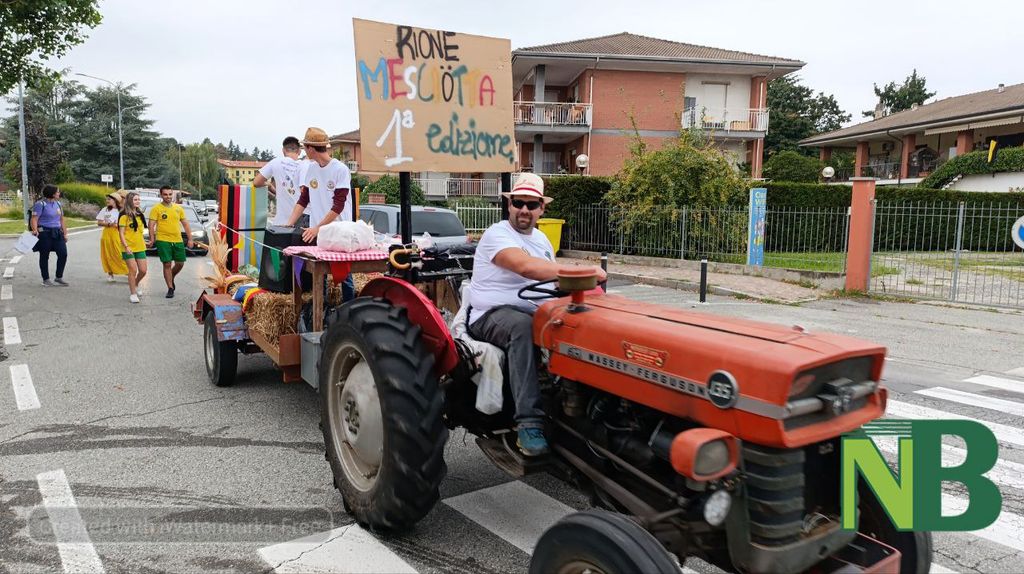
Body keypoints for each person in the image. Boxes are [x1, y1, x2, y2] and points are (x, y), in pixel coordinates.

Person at [467, 173, 606, 456]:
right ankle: (528, 424)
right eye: (518, 203)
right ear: (509, 205)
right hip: (490, 313)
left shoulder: (542, 240)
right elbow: (526, 267)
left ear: (542, 208)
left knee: (588, 322)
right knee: (522, 327)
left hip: (538, 311)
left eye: (531, 205)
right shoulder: (497, 234)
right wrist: (583, 271)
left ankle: (585, 408)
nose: (524, 210)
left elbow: (552, 279)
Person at [284, 127, 355, 302]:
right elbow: (303, 200)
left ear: (311, 148)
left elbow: (338, 206)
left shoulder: (340, 169)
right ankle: (320, 308)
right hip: (319, 232)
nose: (304, 150)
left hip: (339, 231)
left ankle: (349, 307)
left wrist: (317, 227)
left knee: (345, 275)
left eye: (305, 147)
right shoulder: (312, 169)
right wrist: (288, 224)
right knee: (320, 274)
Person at [148, 185, 193, 298]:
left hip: (177, 240)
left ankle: (170, 276)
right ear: (161, 195)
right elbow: (151, 225)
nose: (168, 196)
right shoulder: (156, 208)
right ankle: (170, 288)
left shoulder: (178, 208)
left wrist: (190, 239)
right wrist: (152, 238)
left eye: (170, 194)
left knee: (180, 263)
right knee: (167, 263)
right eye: (165, 194)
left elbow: (186, 224)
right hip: (162, 240)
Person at [253, 136, 308, 227]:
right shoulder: (305, 165)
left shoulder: (275, 162)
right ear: (299, 151)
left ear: (283, 150)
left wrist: (269, 185)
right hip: (302, 220)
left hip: (281, 222)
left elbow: (256, 182)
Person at [30, 184, 70, 287]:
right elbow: (34, 219)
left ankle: (59, 277)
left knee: (63, 254)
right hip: (44, 233)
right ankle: (46, 279)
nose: (59, 193)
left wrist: (65, 233)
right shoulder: (40, 204)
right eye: (57, 192)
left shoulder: (58, 204)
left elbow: (61, 219)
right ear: (52, 193)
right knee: (44, 255)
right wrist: (35, 230)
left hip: (57, 233)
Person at [118, 192, 149, 304]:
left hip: (140, 246)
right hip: (128, 247)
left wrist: (146, 241)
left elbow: (140, 231)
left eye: (138, 199)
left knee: (143, 270)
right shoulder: (124, 216)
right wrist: (126, 246)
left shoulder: (140, 215)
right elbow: (121, 233)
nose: (138, 201)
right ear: (130, 201)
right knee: (133, 270)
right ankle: (133, 293)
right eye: (135, 200)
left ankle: (135, 283)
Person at [97, 192, 129, 281]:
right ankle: (110, 273)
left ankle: (128, 271)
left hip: (118, 233)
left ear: (115, 200)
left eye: (109, 199)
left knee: (119, 253)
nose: (107, 201)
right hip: (106, 234)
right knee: (107, 254)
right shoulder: (105, 210)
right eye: (107, 199)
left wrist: (117, 225)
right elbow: (99, 222)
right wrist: (108, 224)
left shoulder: (122, 211)